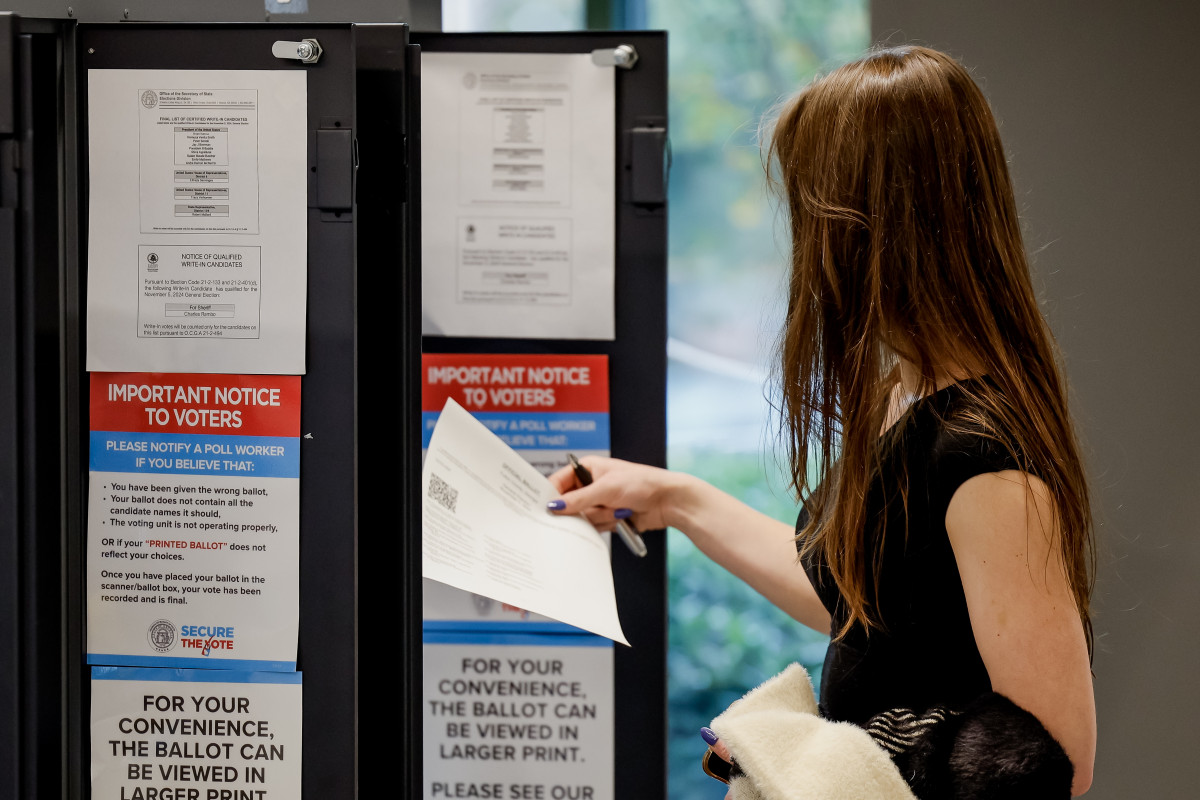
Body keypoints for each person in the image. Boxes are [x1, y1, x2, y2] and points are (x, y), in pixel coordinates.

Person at [547, 46, 1096, 797]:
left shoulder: (986, 459)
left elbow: (1048, 756)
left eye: (811, 210)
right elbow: (858, 599)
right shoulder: (904, 395)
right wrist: (675, 498)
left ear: (872, 228)